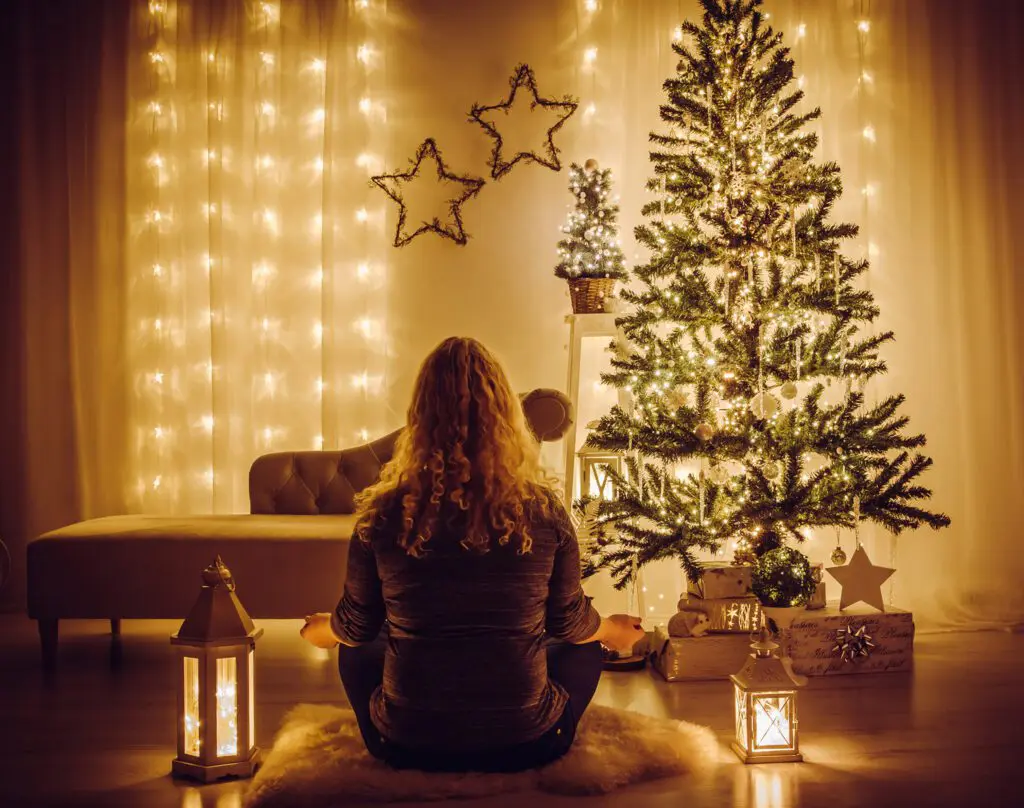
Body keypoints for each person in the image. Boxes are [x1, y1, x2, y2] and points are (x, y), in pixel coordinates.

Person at [301, 336, 645, 773]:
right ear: (506, 416)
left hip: (403, 745)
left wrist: (325, 630)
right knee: (584, 649)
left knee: (357, 648)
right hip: (528, 744)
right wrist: (610, 630)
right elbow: (569, 624)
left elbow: (356, 626)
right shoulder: (542, 509)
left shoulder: (384, 512)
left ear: (419, 417)